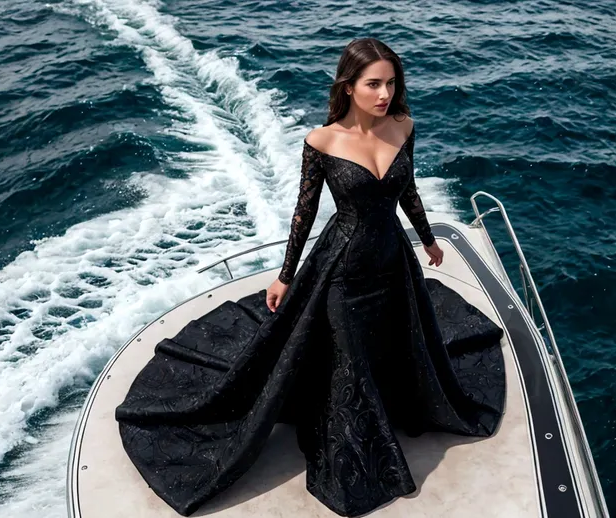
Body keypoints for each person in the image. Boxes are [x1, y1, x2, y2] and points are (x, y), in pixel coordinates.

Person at [115, 38, 506, 517]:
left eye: (391, 82)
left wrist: (427, 240)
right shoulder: (321, 142)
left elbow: (410, 193)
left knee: (398, 342)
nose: (385, 92)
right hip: (343, 269)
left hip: (394, 261)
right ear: (349, 86)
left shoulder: (404, 126)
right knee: (349, 361)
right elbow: (304, 214)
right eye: (374, 83)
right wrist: (284, 276)